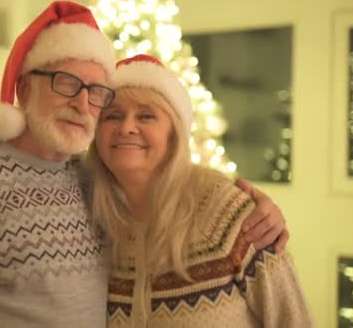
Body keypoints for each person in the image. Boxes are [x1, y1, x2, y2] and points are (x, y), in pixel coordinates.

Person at [0, 1, 289, 328]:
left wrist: (261, 212)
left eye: (97, 92)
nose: (82, 104)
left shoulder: (97, 183)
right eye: (66, 82)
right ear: (25, 87)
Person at [86, 54, 312, 327]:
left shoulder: (228, 213)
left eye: (146, 116)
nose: (127, 127)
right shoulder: (88, 219)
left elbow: (293, 319)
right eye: (112, 116)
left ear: (174, 135)